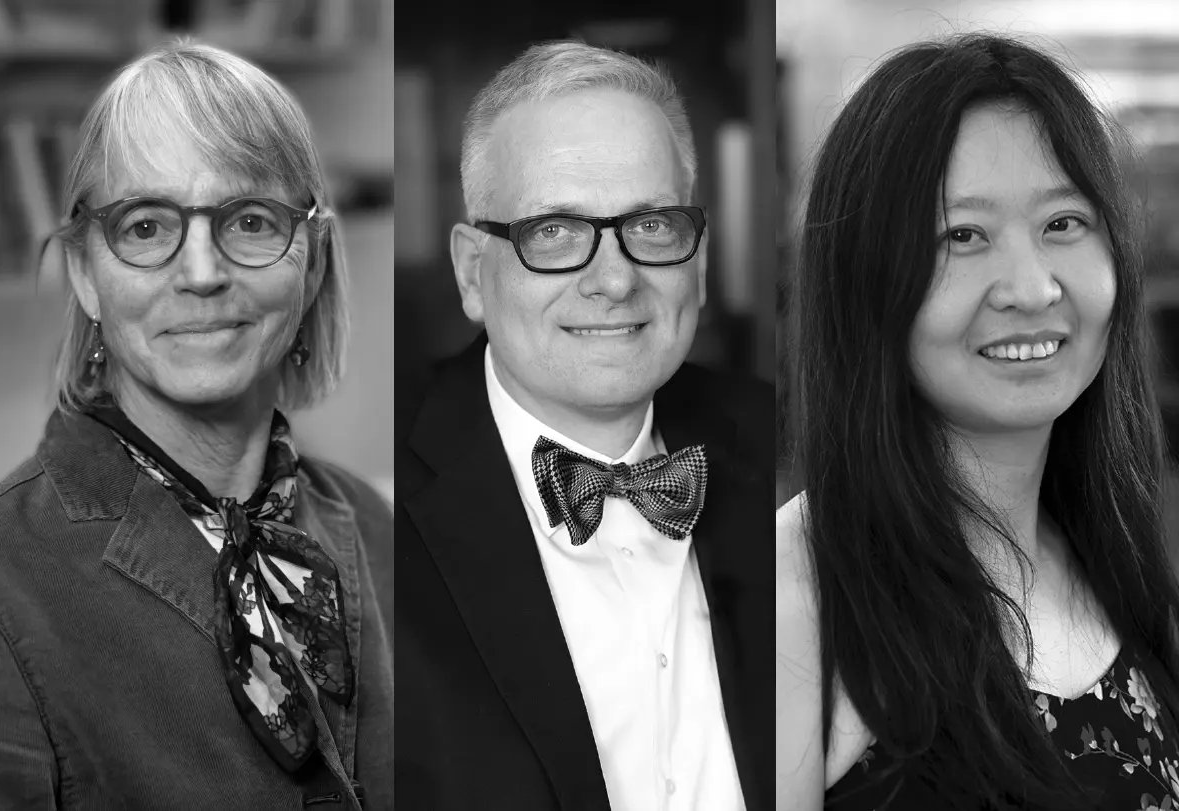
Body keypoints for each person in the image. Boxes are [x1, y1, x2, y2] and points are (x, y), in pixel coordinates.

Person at [0, 42, 393, 810]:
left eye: (251, 220)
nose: (202, 272)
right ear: (84, 275)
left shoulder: (380, 531)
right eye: (144, 227)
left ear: (313, 262)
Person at [778, 33, 1179, 810]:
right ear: (866, 276)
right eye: (962, 235)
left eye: (1064, 223)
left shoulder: (1119, 558)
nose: (1031, 288)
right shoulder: (798, 607)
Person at [395, 42, 775, 810]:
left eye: (653, 225)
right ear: (473, 272)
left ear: (697, 260)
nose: (614, 278)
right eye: (557, 232)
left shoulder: (793, 448)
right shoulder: (365, 513)